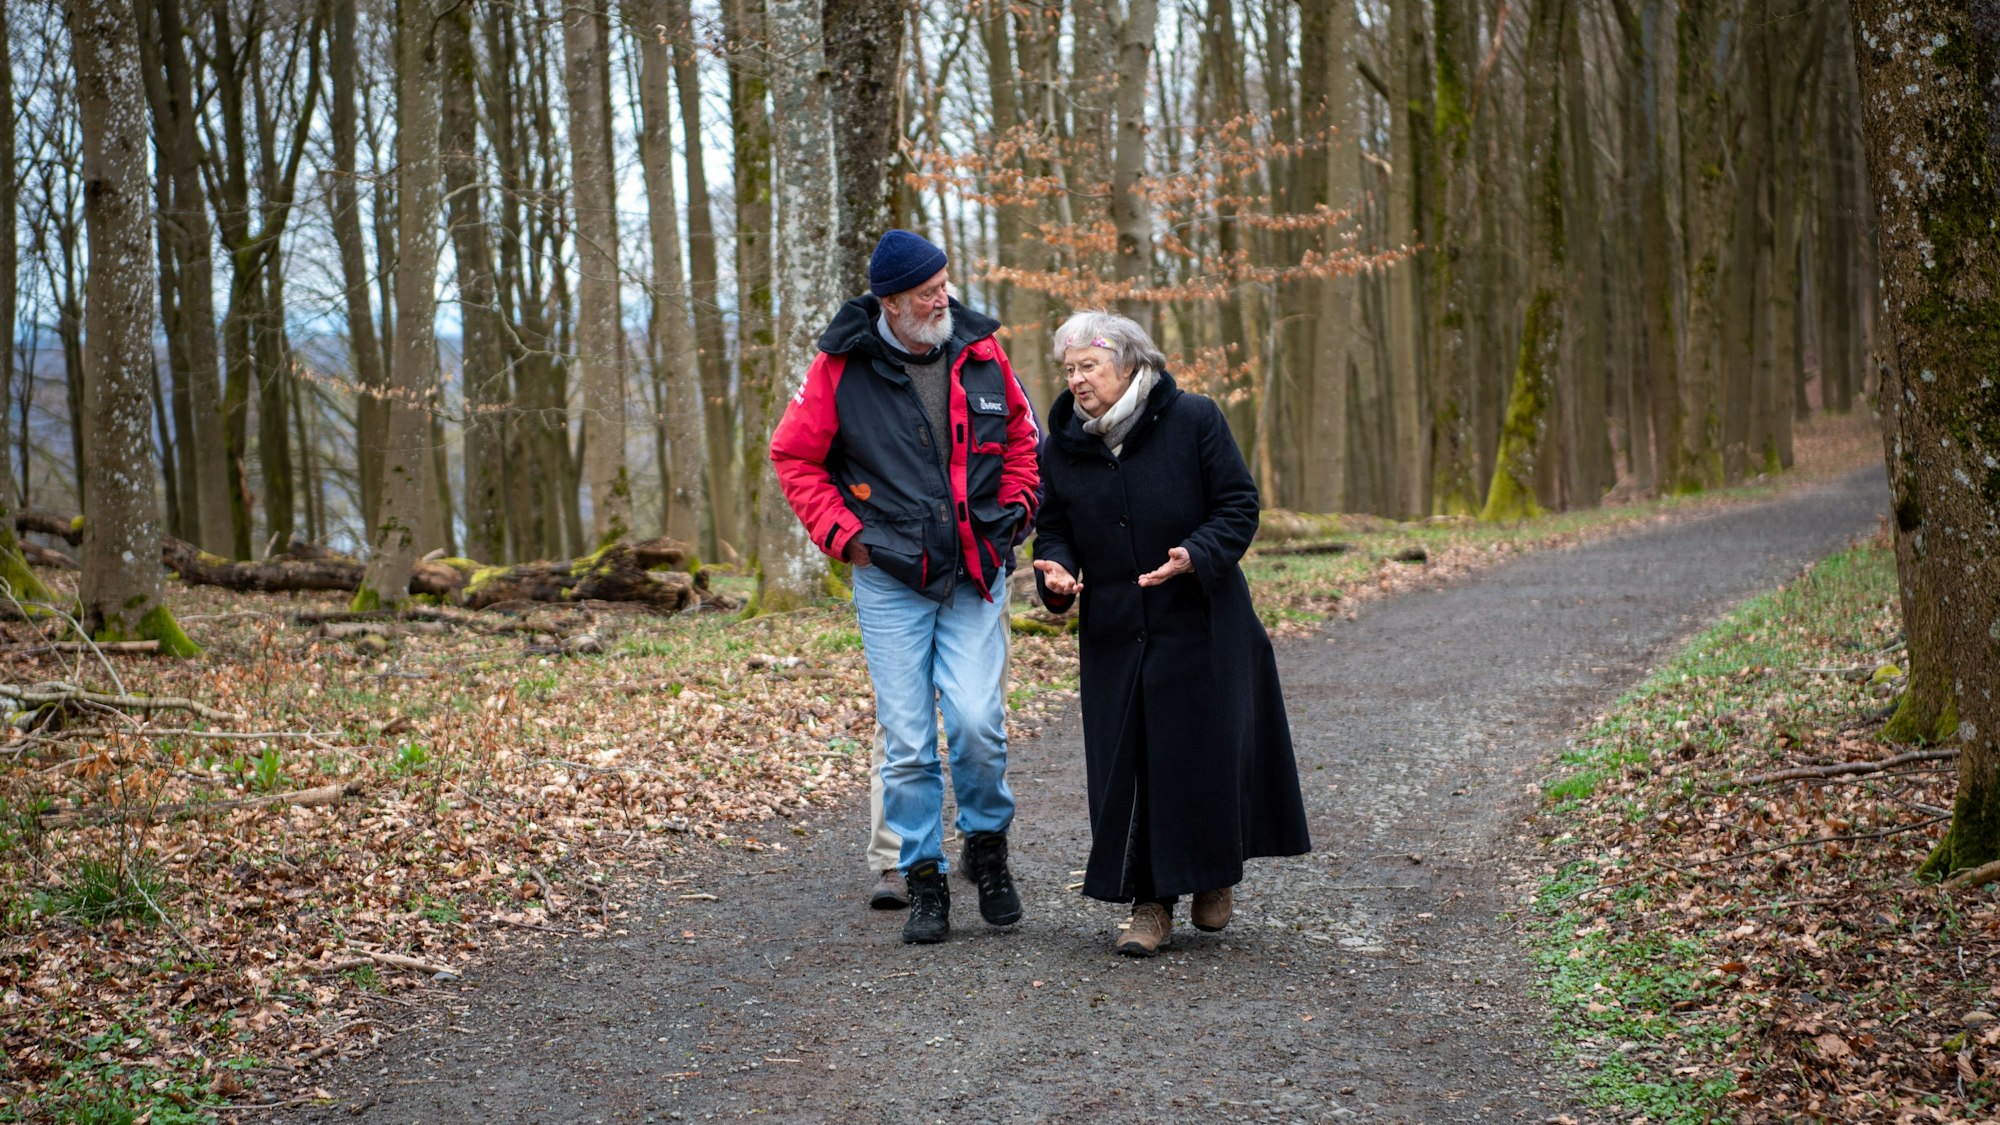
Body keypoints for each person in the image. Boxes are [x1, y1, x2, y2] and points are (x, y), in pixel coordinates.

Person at [770, 230, 1042, 944]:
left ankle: (987, 848)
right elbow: (794, 456)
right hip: (890, 577)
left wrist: (1017, 512)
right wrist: (846, 537)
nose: (941, 297)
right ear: (890, 304)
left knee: (979, 722)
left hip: (977, 571)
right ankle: (923, 876)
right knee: (910, 741)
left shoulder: (981, 351)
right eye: (925, 291)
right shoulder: (840, 367)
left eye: (943, 282)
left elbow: (1022, 438)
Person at [1031, 310, 1310, 957]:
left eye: (1088, 366)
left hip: (1201, 621)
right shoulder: (1062, 444)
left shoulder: (1194, 420)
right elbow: (1054, 527)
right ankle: (1150, 904)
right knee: (1131, 766)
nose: (1076, 381)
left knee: (1202, 756)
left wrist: (1196, 552)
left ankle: (1212, 875)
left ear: (1129, 364)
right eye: (1069, 369)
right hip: (1116, 633)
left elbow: (1239, 505)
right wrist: (1056, 572)